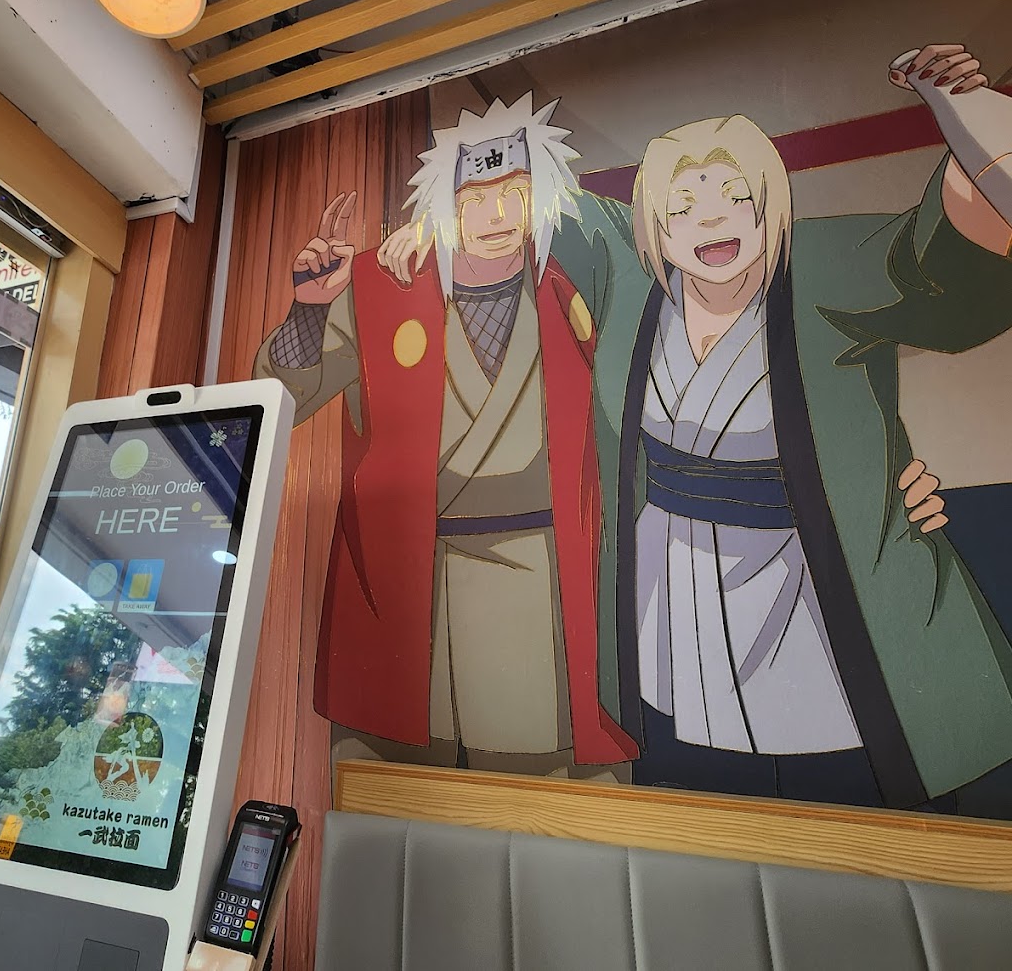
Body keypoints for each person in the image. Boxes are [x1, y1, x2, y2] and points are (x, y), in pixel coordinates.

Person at [601, 47, 1012, 808]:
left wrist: (969, 125)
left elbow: (930, 260)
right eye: (683, 206)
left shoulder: (823, 264)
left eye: (735, 196)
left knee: (836, 789)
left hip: (808, 588)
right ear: (655, 225)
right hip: (672, 591)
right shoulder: (633, 297)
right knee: (700, 806)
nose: (711, 219)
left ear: (771, 202)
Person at [254, 94, 639, 778]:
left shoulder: (566, 290)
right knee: (405, 774)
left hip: (532, 570)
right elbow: (284, 397)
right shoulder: (383, 290)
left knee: (528, 777)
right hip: (409, 574)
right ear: (443, 206)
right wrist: (311, 310)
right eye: (474, 198)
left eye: (515, 193)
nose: (496, 216)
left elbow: (625, 233)